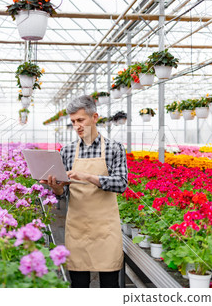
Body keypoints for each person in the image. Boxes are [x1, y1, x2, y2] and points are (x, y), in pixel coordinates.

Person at [40, 95, 128, 288]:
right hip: (78, 227)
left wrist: (88, 177)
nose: (77, 126)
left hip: (106, 228)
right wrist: (56, 187)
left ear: (94, 117)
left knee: (110, 285)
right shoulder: (67, 151)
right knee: (79, 284)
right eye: (73, 122)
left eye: (81, 120)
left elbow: (121, 184)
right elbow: (63, 195)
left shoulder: (115, 148)